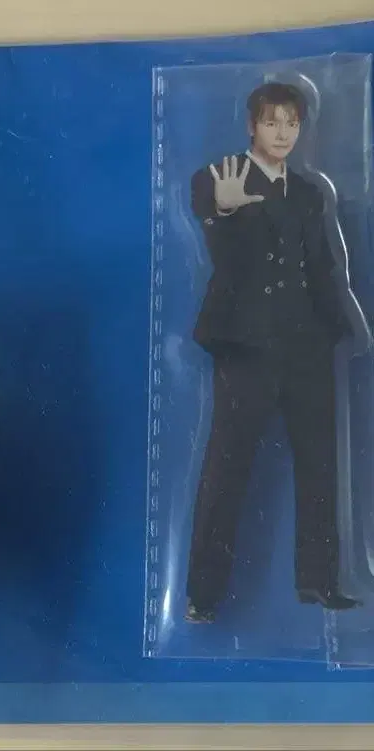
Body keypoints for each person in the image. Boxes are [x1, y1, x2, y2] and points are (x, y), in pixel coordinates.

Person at [185, 81, 368, 623]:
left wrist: (346, 326)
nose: (283, 133)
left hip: (308, 346)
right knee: (227, 467)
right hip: (246, 348)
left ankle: (320, 580)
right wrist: (223, 210)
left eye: (292, 123)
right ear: (251, 126)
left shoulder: (310, 193)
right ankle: (203, 596)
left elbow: (326, 266)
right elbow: (217, 235)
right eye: (272, 122)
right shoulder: (219, 178)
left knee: (320, 465)